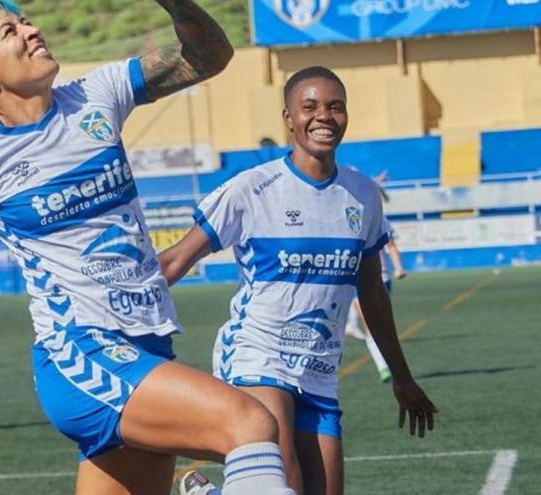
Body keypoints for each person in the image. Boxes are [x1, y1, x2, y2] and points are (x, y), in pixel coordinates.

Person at [0, 1, 296, 494]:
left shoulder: (96, 95)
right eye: (11, 32)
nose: (32, 31)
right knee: (250, 424)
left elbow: (208, 56)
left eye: (25, 22)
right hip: (81, 355)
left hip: (148, 346)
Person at [159, 66, 438, 495]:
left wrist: (401, 375)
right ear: (289, 117)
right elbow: (176, 260)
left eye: (335, 107)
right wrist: (104, 312)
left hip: (320, 370)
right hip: (258, 358)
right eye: (309, 107)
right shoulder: (251, 189)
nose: (323, 116)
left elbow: (372, 293)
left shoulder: (363, 196)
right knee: (281, 485)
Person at [344, 216, 407, 383]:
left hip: (381, 279)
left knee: (382, 324)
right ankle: (382, 367)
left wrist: (399, 268)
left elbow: (391, 245)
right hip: (356, 279)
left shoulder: (379, 218)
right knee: (369, 324)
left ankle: (388, 364)